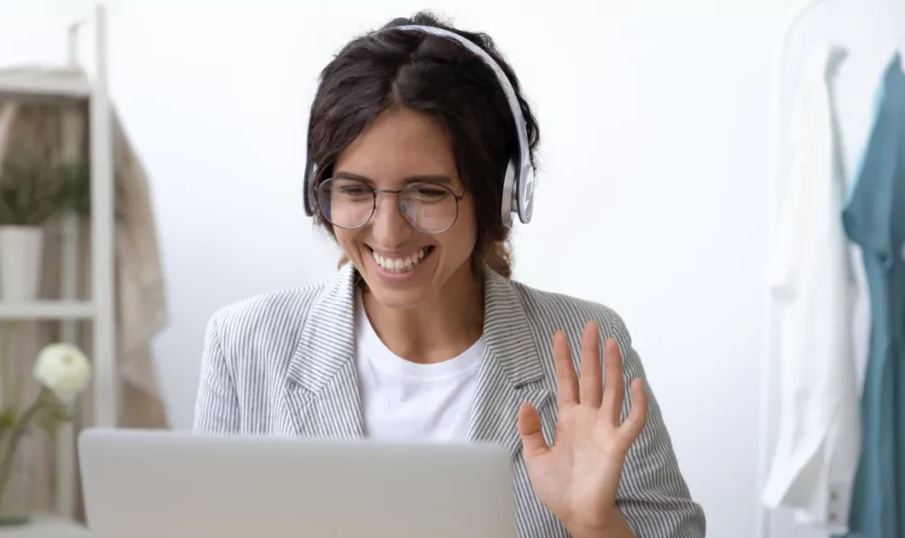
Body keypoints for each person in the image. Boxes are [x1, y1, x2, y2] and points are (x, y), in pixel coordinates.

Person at [193, 11, 706, 538]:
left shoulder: (584, 346)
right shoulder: (244, 344)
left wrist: (593, 521)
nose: (389, 233)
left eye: (428, 192)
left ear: (499, 199)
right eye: (355, 191)